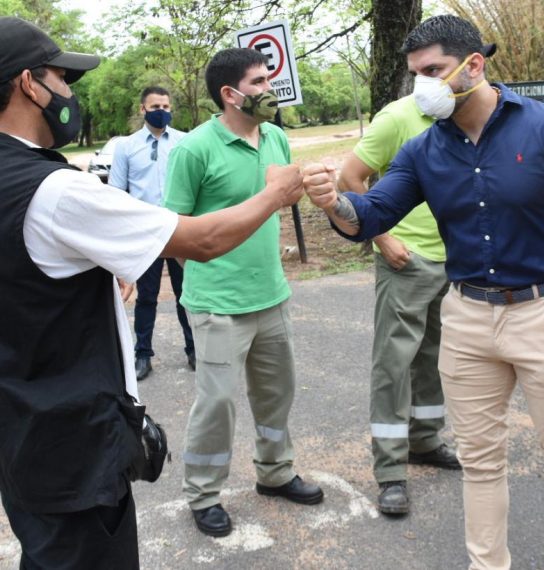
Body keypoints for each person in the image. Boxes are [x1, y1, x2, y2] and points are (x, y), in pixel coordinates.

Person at [0, 17, 304, 569]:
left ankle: (276, 469)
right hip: (71, 439)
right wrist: (277, 194)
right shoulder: (55, 189)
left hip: (21, 428)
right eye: (62, 78)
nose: (69, 93)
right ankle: (205, 493)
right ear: (29, 84)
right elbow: (200, 239)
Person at [303, 14, 544, 570]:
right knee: (480, 463)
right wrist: (333, 202)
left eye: (433, 71)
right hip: (467, 318)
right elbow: (373, 213)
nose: (422, 85)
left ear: (474, 65)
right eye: (415, 74)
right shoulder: (425, 149)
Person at [163, 48, 324, 538]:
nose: (269, 89)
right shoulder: (194, 149)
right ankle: (203, 494)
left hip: (271, 295)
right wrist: (210, 277)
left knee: (276, 396)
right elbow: (175, 232)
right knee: (216, 404)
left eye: (269, 78)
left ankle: (275, 473)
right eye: (259, 82)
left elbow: (280, 204)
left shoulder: (276, 137)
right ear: (230, 94)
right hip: (217, 304)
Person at [338, 92, 462, 515]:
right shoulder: (396, 117)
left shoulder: (463, 116)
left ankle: (425, 440)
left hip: (453, 260)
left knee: (433, 357)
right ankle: (390, 469)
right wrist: (384, 238)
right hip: (405, 259)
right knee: (393, 364)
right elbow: (349, 178)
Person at [109, 86, 195, 380]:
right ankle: (143, 355)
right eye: (156, 106)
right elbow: (117, 192)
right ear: (142, 109)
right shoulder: (126, 146)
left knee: (186, 294)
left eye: (166, 106)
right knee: (147, 297)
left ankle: (194, 349)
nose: (162, 111)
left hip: (178, 228)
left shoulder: (184, 142)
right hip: (145, 233)